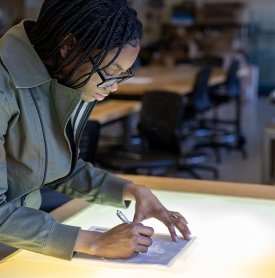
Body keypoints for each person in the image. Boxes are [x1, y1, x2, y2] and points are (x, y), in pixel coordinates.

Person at [0, 0, 191, 261]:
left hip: (17, 245)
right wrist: (96, 243)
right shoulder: (5, 88)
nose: (113, 87)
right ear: (67, 47)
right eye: (109, 73)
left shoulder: (58, 74)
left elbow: (56, 168)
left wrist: (132, 191)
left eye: (121, 75)